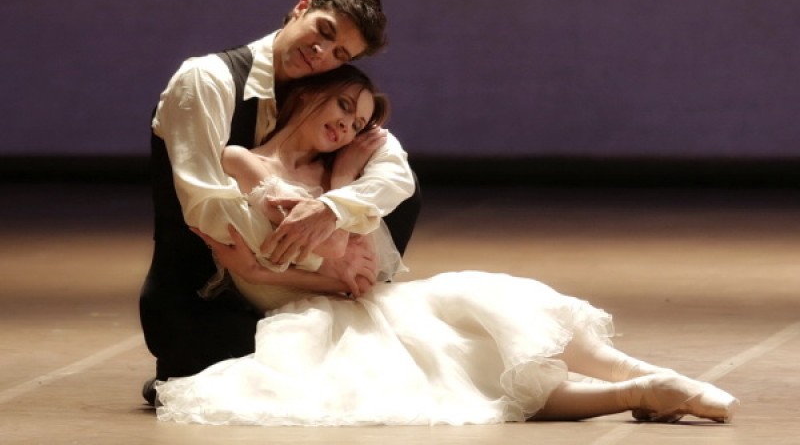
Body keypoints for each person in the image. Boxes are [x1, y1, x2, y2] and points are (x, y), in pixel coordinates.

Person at [154, 65, 739, 426]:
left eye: (358, 123)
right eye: (342, 106)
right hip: (312, 318)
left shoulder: (341, 175)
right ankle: (637, 393)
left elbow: (360, 256)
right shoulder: (243, 162)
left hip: (367, 300)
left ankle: (650, 376)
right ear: (310, 97)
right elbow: (264, 276)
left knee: (488, 299)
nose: (347, 128)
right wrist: (325, 273)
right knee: (467, 374)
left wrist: (340, 184)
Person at [139, 0, 420, 405]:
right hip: (207, 287)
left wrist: (332, 206)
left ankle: (330, 320)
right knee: (239, 386)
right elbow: (207, 207)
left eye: (340, 52)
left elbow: (394, 171)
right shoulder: (208, 78)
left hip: (306, 289)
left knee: (397, 195)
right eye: (323, 31)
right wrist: (329, 263)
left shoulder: (335, 88)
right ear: (300, 8)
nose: (322, 54)